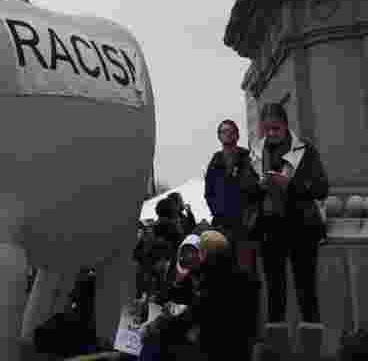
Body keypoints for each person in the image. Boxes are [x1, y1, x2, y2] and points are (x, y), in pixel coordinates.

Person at [250, 95, 328, 344]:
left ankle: (312, 346)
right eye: (267, 129)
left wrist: (291, 184)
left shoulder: (305, 151)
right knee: (275, 292)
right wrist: (258, 187)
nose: (272, 133)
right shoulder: (254, 154)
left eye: (276, 129)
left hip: (301, 229)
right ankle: (276, 347)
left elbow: (321, 187)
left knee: (306, 290)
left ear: (286, 126)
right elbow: (244, 191)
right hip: (269, 230)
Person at [140, 231, 257, 360]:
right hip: (240, 350)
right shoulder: (240, 276)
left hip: (217, 352)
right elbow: (180, 296)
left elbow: (191, 316)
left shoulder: (215, 280)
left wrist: (154, 327)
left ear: (204, 254)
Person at [204, 119, 261, 276]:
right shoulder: (215, 161)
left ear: (237, 135)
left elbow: (257, 189)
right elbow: (209, 193)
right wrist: (217, 211)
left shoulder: (248, 158)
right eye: (223, 131)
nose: (227, 134)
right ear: (219, 136)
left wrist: (251, 216)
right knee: (224, 271)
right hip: (223, 225)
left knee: (246, 272)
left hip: (245, 226)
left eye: (230, 131)